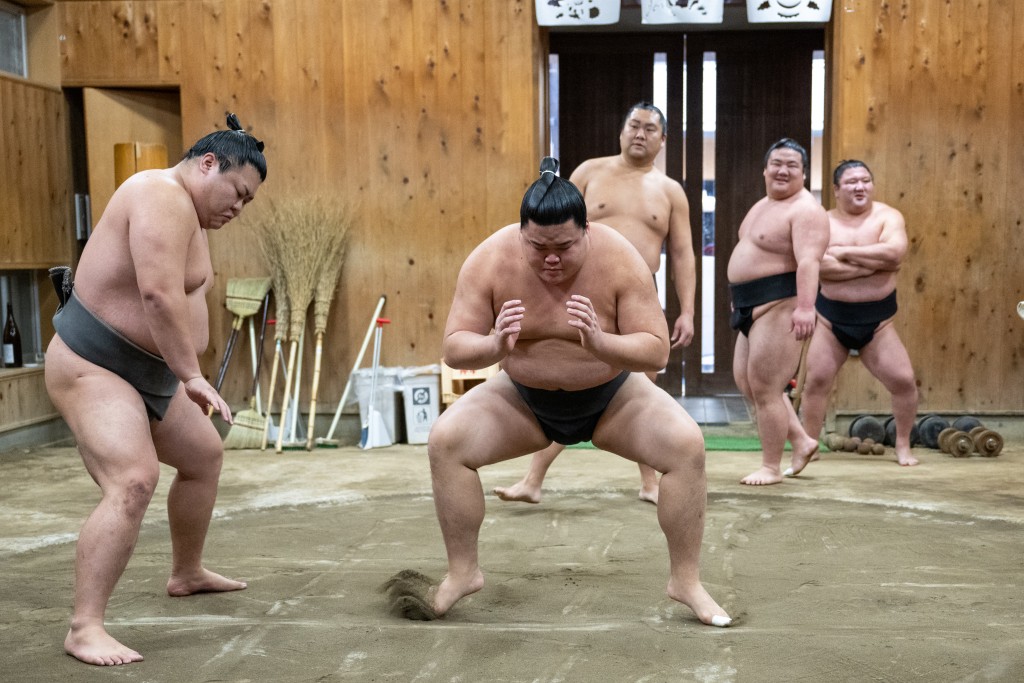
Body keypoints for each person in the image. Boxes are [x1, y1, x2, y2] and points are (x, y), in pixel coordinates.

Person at [386, 157, 731, 628]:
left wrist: (601, 342)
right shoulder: (491, 258)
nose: (551, 259)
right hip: (523, 399)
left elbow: (655, 353)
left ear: (586, 229)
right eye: (538, 247)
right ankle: (462, 572)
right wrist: (493, 345)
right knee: (446, 441)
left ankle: (685, 581)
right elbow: (453, 348)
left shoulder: (620, 257)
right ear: (521, 234)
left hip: (612, 396)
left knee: (687, 445)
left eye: (564, 247)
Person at [44, 114, 267, 666]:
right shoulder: (158, 192)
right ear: (208, 163)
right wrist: (192, 377)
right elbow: (158, 297)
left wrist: (181, 373)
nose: (238, 208)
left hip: (150, 375)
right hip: (95, 363)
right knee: (134, 478)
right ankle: (85, 627)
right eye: (237, 192)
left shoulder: (188, 214)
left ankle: (186, 572)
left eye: (248, 202)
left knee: (203, 456)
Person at [493, 102, 695, 506]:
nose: (640, 133)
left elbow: (684, 252)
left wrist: (688, 309)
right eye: (633, 125)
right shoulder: (589, 172)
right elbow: (550, 222)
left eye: (650, 129)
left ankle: (650, 480)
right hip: (577, 286)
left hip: (640, 291)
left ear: (663, 139)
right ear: (621, 131)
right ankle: (533, 479)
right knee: (564, 377)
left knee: (641, 383)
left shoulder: (671, 190)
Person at [788, 160, 919, 472]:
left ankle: (902, 443)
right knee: (816, 382)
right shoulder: (823, 221)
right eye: (851, 182)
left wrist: (844, 253)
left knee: (904, 381)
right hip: (831, 318)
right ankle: (809, 445)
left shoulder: (888, 216)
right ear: (836, 189)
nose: (860, 187)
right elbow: (818, 265)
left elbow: (895, 253)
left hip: (879, 320)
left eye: (865, 181)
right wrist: (875, 262)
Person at [727, 138, 829, 486]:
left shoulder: (806, 210)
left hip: (780, 303)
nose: (783, 170)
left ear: (804, 172)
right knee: (747, 381)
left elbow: (809, 262)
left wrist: (805, 307)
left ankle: (771, 466)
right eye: (777, 164)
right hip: (749, 304)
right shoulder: (763, 205)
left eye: (792, 165)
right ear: (765, 169)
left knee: (767, 388)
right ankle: (801, 441)